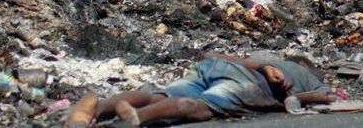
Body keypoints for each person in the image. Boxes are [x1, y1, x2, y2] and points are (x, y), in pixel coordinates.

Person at [64, 53, 335, 127]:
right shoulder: (306, 75)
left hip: (215, 67)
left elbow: (219, 55)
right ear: (304, 65)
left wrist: (264, 66)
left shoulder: (267, 60)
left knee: (158, 93)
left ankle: (94, 110)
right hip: (247, 85)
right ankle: (139, 118)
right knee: (202, 108)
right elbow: (326, 97)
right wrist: (295, 94)